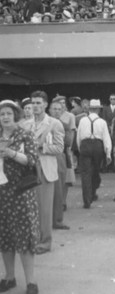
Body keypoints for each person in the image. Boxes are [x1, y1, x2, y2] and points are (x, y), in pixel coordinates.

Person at [0, 100, 40, 294]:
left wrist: (11, 153)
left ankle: (31, 281)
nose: (4, 117)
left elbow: (32, 160)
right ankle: (9, 277)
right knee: (5, 236)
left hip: (21, 192)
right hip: (1, 193)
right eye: (1, 114)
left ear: (15, 115)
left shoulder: (25, 134)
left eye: (8, 113)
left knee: (24, 237)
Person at [31, 91, 64, 254]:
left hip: (45, 169)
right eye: (33, 103)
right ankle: (32, 239)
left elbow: (59, 147)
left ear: (45, 104)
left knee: (44, 208)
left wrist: (42, 147)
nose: (35, 106)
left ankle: (45, 242)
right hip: (27, 169)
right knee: (30, 207)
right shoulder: (25, 124)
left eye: (38, 103)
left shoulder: (54, 123)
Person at [76, 99, 112, 208]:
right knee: (95, 171)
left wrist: (80, 149)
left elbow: (79, 137)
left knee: (85, 173)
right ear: (98, 110)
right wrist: (108, 153)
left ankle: (87, 199)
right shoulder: (102, 122)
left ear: (90, 109)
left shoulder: (82, 120)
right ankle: (92, 192)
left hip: (85, 145)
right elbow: (106, 138)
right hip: (98, 146)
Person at [49, 100, 69, 230]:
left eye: (59, 109)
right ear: (49, 110)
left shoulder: (63, 124)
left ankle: (57, 219)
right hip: (49, 156)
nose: (56, 111)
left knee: (60, 188)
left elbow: (68, 142)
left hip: (60, 156)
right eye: (54, 109)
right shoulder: (45, 123)